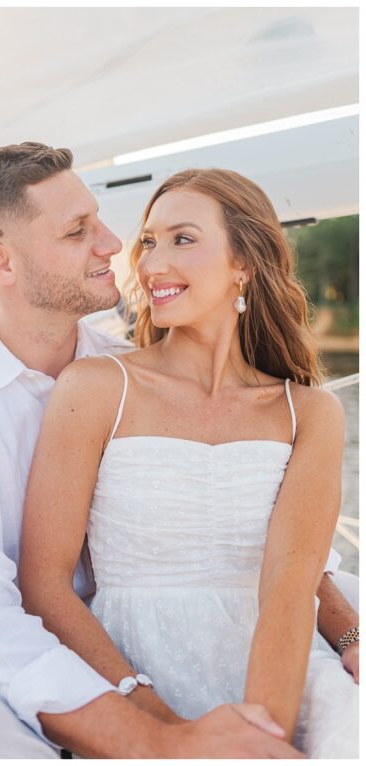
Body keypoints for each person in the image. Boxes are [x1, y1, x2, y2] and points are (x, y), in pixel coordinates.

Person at [0, 142, 357, 757]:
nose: (114, 246)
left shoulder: (127, 368)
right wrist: (160, 737)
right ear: (2, 262)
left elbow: (277, 553)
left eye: (100, 220)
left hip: (122, 643)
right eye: (78, 231)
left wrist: (348, 637)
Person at [19, 168, 357, 757]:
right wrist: (164, 730)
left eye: (183, 239)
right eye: (148, 241)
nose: (150, 264)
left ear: (243, 264)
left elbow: (288, 583)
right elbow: (44, 585)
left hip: (282, 674)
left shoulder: (311, 413)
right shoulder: (97, 387)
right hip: (133, 680)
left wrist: (260, 733)